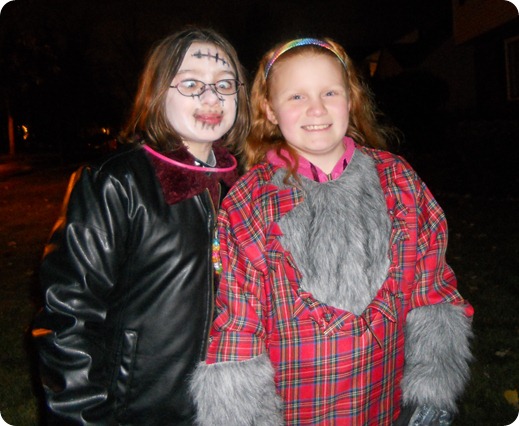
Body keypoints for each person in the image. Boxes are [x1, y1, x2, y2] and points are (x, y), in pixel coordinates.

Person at [190, 37, 474, 425]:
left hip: (385, 404)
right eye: (296, 96)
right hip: (296, 408)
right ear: (270, 110)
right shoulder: (248, 202)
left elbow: (432, 285)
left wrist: (432, 390)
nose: (317, 108)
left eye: (330, 92)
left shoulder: (398, 181)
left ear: (350, 99)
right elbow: (239, 322)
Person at [31, 27, 250, 425]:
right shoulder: (117, 183)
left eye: (224, 84)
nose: (211, 98)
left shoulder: (243, 188)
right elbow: (68, 318)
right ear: (157, 92)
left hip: (228, 407)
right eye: (191, 84)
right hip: (140, 410)